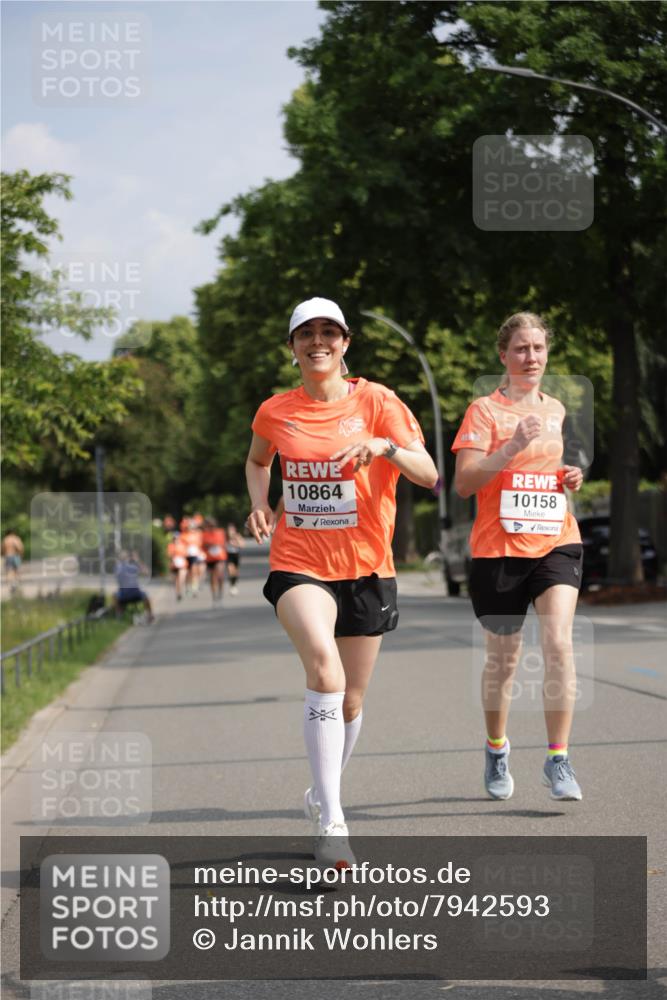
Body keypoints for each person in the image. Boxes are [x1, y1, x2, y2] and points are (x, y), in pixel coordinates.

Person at [246, 296, 438, 871]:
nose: (318, 341)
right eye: (306, 333)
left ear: (346, 343)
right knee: (323, 671)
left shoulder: (377, 401)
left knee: (350, 699)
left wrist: (385, 446)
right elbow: (259, 462)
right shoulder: (275, 411)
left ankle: (320, 794)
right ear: (292, 347)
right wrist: (260, 502)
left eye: (329, 332)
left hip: (366, 567)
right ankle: (332, 820)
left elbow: (428, 474)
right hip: (299, 561)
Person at [452, 311, 584, 802]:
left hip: (555, 539)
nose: (531, 357)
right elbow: (466, 482)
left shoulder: (557, 410)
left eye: (538, 348)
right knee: (503, 663)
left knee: (559, 644)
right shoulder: (483, 412)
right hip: (498, 549)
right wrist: (510, 446)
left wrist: (570, 478)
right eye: (521, 349)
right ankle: (496, 747)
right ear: (503, 356)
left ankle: (558, 759)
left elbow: (552, 471)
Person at [113, 551, 154, 622]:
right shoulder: (121, 567)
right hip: (126, 593)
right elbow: (146, 572)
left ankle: (150, 615)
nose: (124, 558)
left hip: (133, 592)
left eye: (125, 557)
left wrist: (137, 561)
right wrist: (137, 561)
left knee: (147, 597)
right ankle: (119, 616)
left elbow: (146, 572)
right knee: (115, 596)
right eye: (123, 557)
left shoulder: (130, 567)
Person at [202, 517, 227, 601]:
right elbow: (203, 545)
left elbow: (222, 543)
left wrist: (212, 544)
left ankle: (220, 593)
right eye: (209, 526)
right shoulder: (204, 534)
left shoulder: (220, 532)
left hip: (220, 557)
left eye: (212, 526)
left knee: (220, 575)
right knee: (212, 578)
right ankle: (214, 595)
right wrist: (209, 545)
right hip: (209, 558)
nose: (211, 527)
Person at [167, 532, 188, 601]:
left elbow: (186, 554)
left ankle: (180, 591)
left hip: (182, 565)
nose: (176, 539)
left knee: (181, 579)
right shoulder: (170, 546)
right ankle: (178, 593)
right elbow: (169, 555)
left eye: (177, 538)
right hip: (173, 565)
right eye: (174, 538)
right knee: (176, 581)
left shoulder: (183, 545)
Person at [225, 523, 244, 595]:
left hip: (236, 555)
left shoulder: (237, 536)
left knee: (235, 572)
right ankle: (232, 586)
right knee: (230, 570)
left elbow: (242, 545)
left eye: (232, 529)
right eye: (229, 530)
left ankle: (234, 584)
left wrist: (235, 543)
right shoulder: (225, 537)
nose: (230, 531)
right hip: (228, 555)